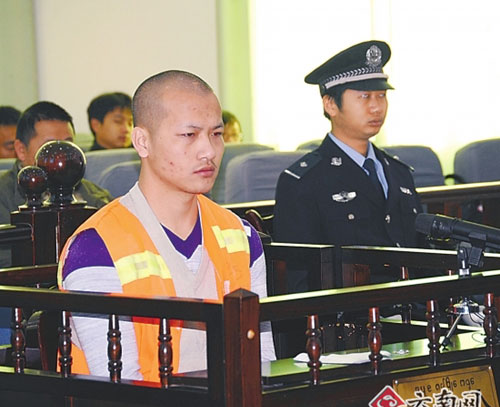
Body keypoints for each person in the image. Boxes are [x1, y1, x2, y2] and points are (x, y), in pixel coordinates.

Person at [58, 70, 276, 382]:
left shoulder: (241, 236)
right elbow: (118, 386)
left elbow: (261, 363)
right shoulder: (96, 246)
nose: (209, 151)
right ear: (142, 141)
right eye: (189, 135)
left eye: (216, 134)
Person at [274, 40, 422, 254]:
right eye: (364, 96)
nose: (376, 107)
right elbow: (299, 268)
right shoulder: (304, 182)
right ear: (330, 104)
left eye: (381, 96)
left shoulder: (399, 173)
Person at [0, 101, 113, 267]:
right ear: (21, 150)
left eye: (68, 145)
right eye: (50, 147)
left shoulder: (94, 195)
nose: (62, 156)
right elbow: (5, 260)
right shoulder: (4, 196)